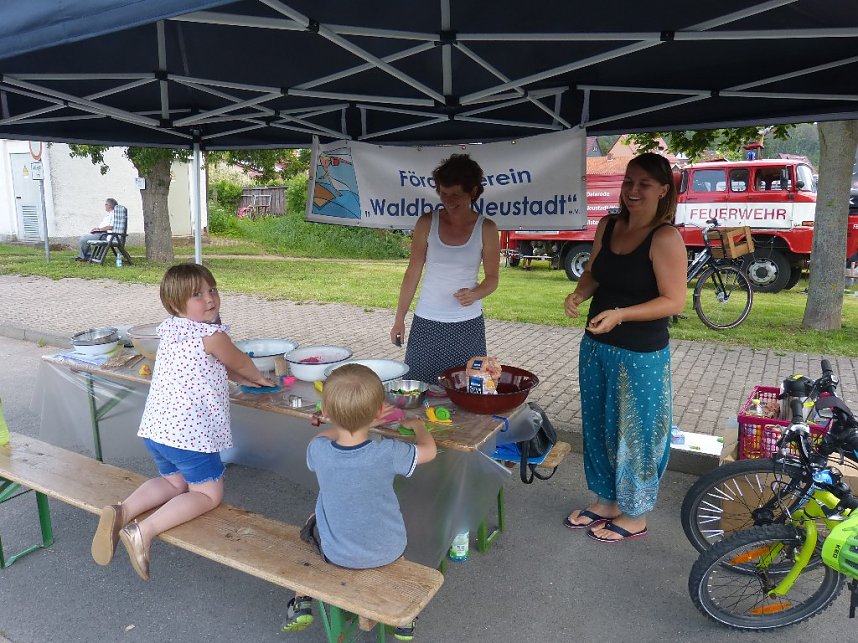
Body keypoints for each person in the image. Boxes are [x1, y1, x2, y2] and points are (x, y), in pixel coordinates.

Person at [90, 263, 273, 579]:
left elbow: (216, 366)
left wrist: (242, 376)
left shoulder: (172, 329)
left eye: (212, 290)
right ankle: (142, 531)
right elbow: (239, 360)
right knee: (207, 494)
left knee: (175, 482)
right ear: (175, 304)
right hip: (190, 436)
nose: (210, 299)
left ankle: (123, 510)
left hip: (157, 430)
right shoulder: (212, 335)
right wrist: (261, 378)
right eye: (197, 295)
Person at [562, 152, 686, 543]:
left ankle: (635, 513)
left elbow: (674, 301)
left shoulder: (664, 237)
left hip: (640, 353)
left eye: (644, 184)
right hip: (597, 346)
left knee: (638, 433)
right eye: (629, 181)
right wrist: (579, 294)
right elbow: (595, 273)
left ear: (663, 190)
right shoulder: (609, 224)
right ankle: (606, 501)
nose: (633, 190)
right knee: (598, 425)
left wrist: (621, 314)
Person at [283, 364, 436, 641]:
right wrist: (419, 427)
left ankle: (300, 599)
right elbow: (429, 451)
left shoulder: (317, 450)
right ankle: (405, 617)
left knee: (312, 522)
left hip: (337, 554)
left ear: (325, 412)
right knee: (394, 553)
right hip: (389, 549)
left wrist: (347, 423)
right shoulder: (387, 452)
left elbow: (321, 437)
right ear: (380, 411)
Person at [390, 154, 500, 383]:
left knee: (468, 386)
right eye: (443, 194)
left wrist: (475, 293)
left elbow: (492, 279)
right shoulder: (426, 222)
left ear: (473, 191)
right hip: (426, 321)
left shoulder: (486, 228)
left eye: (456, 195)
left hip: (467, 325)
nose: (448, 200)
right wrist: (399, 318)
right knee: (419, 387)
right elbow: (412, 273)